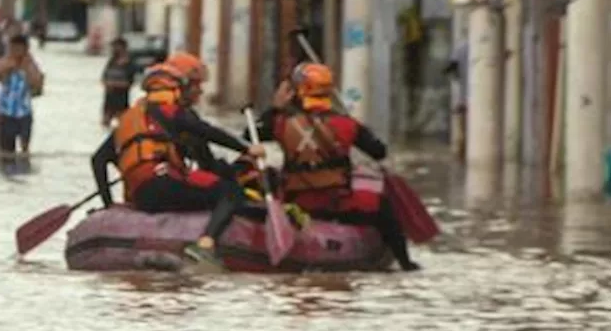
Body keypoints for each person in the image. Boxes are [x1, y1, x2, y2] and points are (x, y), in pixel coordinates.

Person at [89, 53, 265, 268]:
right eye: (195, 86)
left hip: (141, 195)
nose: (199, 91)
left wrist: (108, 204)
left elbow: (98, 160)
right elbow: (208, 132)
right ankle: (206, 243)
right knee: (231, 192)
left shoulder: (130, 118)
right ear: (178, 88)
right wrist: (246, 148)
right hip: (166, 185)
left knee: (209, 185)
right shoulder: (175, 113)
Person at [246, 63, 420, 271]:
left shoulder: (280, 122)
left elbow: (250, 135)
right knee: (384, 206)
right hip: (337, 203)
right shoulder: (347, 124)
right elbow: (379, 151)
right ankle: (405, 263)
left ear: (298, 91)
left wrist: (275, 107)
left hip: (297, 203)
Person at [0, 34, 44, 159]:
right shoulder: (4, 62)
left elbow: (37, 87)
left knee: (25, 148)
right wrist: (8, 69)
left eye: (19, 48)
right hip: (6, 111)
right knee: (6, 149)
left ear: (26, 49)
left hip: (24, 112)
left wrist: (26, 69)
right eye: (13, 48)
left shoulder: (31, 65)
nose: (15, 51)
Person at [101, 37, 136, 126]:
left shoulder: (129, 64)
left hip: (121, 100)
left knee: (123, 124)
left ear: (122, 47)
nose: (113, 49)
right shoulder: (111, 61)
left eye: (115, 46)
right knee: (105, 123)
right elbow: (104, 77)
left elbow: (129, 83)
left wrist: (114, 84)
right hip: (108, 100)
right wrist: (106, 83)